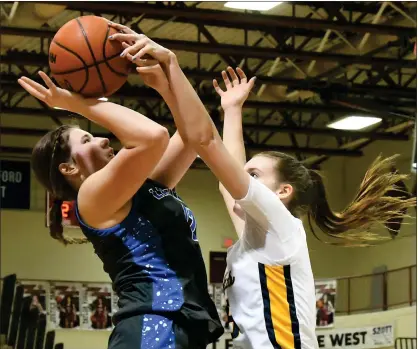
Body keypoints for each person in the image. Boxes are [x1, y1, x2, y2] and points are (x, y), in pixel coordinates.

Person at [109, 25, 416, 349]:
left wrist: (172, 67)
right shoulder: (257, 238)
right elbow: (227, 182)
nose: (241, 180)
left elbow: (206, 141)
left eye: (254, 175)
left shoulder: (281, 228)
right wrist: (231, 109)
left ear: (283, 192)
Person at [19, 57, 223, 346]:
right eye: (87, 140)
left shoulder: (145, 185)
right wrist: (75, 103)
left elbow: (198, 133)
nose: (104, 140)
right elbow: (153, 136)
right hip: (152, 327)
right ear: (69, 169)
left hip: (176, 324)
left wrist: (168, 87)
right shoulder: (90, 197)